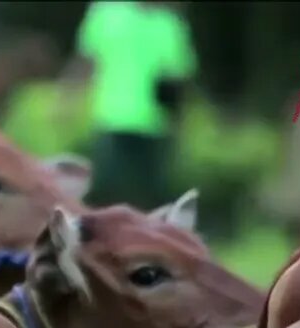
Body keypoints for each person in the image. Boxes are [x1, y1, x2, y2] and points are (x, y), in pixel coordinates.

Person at [59, 1, 197, 210]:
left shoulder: (169, 24)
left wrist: (180, 124)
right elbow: (86, 59)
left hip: (155, 126)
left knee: (151, 201)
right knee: (105, 194)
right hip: (112, 120)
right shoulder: (106, 13)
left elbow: (178, 79)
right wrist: (68, 97)